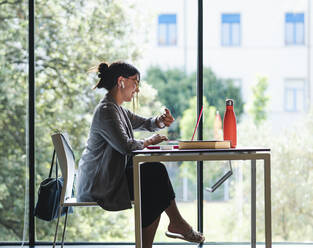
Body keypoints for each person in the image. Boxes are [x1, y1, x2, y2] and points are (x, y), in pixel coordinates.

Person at [76, 61, 205, 247]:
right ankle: (175, 224)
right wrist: (149, 142)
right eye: (135, 82)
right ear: (121, 81)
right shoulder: (106, 110)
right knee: (154, 175)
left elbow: (146, 123)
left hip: (110, 177)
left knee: (153, 177)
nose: (137, 89)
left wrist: (160, 121)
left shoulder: (117, 109)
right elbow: (126, 147)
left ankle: (173, 227)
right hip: (99, 183)